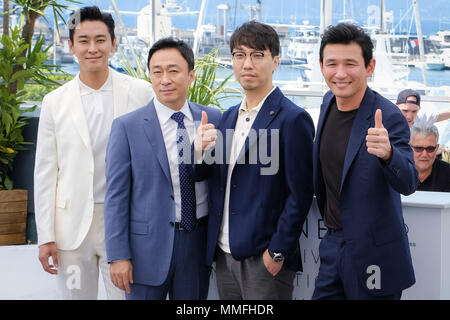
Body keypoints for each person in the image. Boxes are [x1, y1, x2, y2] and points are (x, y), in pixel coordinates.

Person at [34, 6, 154, 300]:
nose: (93, 48)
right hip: (71, 228)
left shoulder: (141, 92)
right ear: (71, 46)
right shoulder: (54, 102)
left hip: (123, 222)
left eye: (100, 40)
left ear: (114, 43)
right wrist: (45, 236)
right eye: (83, 40)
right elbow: (46, 172)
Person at [194, 21, 315, 300]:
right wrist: (199, 151)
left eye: (257, 55)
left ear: (275, 61)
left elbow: (300, 194)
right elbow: (210, 176)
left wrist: (276, 251)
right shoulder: (227, 117)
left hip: (264, 258)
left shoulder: (292, 118)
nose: (247, 63)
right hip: (224, 254)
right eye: (239, 55)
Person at [104, 38, 221, 300]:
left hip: (195, 243)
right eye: (157, 72)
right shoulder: (127, 127)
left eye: (173, 70)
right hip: (145, 250)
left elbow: (219, 180)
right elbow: (116, 197)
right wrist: (118, 255)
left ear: (191, 75)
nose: (164, 79)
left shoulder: (213, 119)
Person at [312, 23, 418, 300]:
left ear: (369, 67)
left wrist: (388, 154)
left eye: (350, 63)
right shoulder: (327, 103)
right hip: (333, 244)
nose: (340, 73)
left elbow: (409, 181)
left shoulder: (388, 115)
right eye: (332, 63)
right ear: (321, 66)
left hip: (375, 254)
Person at [410, 115, 450, 192]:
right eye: (418, 148)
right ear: (409, 148)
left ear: (437, 148)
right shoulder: (397, 172)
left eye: (430, 149)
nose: (424, 154)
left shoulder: (448, 174)